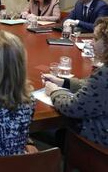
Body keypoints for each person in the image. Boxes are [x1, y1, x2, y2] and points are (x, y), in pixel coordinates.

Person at [44, 16, 108, 147]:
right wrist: (64, 82)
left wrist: (54, 91)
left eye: (95, 39)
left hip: (98, 142)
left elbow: (73, 107)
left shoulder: (104, 74)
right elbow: (92, 86)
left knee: (56, 131)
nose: (90, 43)